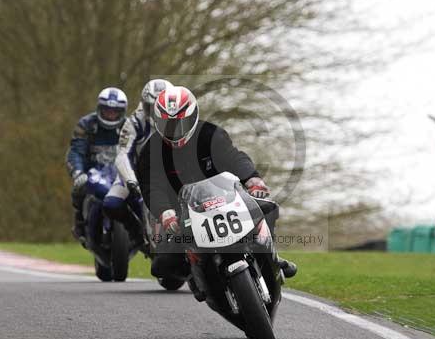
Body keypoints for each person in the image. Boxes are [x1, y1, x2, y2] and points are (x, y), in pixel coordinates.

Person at [136, 85, 297, 279]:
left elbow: (234, 157)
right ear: (157, 122)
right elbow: (151, 186)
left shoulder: (211, 134)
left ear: (193, 115)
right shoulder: (150, 151)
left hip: (226, 200)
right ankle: (198, 273)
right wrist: (165, 213)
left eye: (181, 123)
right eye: (168, 125)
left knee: (268, 208)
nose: (175, 130)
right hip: (182, 213)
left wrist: (252, 179)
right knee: (162, 268)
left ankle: (273, 258)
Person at [108, 79, 172, 240]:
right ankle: (136, 232)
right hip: (136, 172)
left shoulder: (180, 120)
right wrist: (130, 180)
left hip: (169, 172)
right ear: (144, 104)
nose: (156, 113)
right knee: (111, 203)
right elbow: (122, 155)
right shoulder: (134, 122)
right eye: (152, 107)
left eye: (161, 107)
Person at [66, 87, 128, 242]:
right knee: (79, 188)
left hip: (121, 173)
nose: (110, 114)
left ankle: (144, 228)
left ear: (122, 112)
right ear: (99, 109)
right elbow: (76, 151)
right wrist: (78, 172)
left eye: (114, 112)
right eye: (107, 111)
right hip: (93, 171)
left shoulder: (130, 127)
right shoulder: (86, 125)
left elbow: (139, 151)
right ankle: (80, 223)